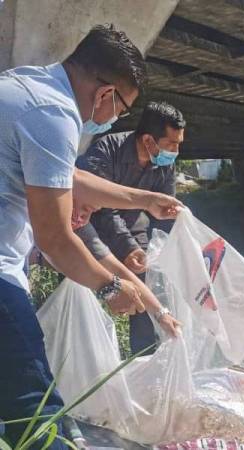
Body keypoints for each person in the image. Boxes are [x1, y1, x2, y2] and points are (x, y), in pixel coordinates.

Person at [0, 25, 180, 448]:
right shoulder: (54, 116)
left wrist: (143, 199)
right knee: (36, 414)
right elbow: (55, 239)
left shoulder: (24, 85)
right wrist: (109, 287)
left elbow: (67, 175)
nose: (116, 119)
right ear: (105, 95)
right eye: (122, 108)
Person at [76, 101, 185, 354]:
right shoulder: (105, 150)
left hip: (135, 222)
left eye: (179, 144)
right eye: (171, 144)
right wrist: (127, 247)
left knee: (144, 278)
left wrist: (175, 241)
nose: (176, 151)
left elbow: (163, 211)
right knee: (82, 283)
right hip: (90, 220)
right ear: (148, 141)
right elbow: (99, 208)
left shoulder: (165, 163)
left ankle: (144, 354)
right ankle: (89, 352)